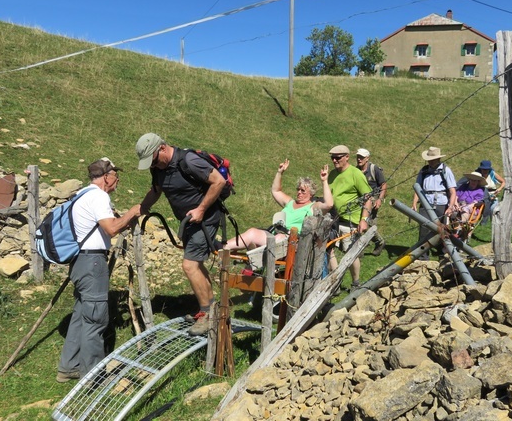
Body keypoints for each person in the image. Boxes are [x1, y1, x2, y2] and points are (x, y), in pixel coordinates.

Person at [57, 158, 141, 383]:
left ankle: (69, 367)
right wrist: (132, 212)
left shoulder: (82, 195)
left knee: (80, 315)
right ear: (106, 176)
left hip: (80, 262)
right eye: (115, 175)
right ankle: (94, 377)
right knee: (96, 319)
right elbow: (111, 228)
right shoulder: (99, 196)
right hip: (92, 262)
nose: (118, 179)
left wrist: (123, 220)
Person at [136, 133, 226, 336]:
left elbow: (218, 182)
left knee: (190, 265)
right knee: (196, 264)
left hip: (205, 219)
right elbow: (156, 190)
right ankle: (210, 308)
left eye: (153, 160)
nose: (153, 165)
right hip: (188, 222)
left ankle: (207, 313)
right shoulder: (158, 168)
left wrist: (201, 209)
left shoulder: (188, 160)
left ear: (162, 148)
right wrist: (141, 208)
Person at [224, 159, 333, 251]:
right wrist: (279, 172)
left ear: (311, 194)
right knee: (253, 232)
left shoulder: (312, 207)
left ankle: (257, 258)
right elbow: (275, 191)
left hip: (293, 242)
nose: (299, 192)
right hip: (275, 235)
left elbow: (328, 204)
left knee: (279, 238)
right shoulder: (290, 202)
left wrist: (324, 181)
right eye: (298, 189)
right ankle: (223, 247)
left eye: (303, 190)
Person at [326, 145, 373, 289]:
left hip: (350, 221)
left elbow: (368, 197)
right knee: (330, 250)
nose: (335, 160)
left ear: (347, 157)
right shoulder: (332, 175)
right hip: (333, 219)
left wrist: (364, 220)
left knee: (351, 253)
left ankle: (355, 282)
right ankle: (336, 283)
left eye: (338, 158)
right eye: (332, 158)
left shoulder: (355, 174)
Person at [411, 146, 457, 260]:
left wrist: (450, 207)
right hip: (426, 204)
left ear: (438, 159)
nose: (430, 162)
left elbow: (452, 191)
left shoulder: (445, 170)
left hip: (441, 204)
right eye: (429, 159)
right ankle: (423, 257)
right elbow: (418, 188)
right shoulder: (424, 170)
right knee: (424, 229)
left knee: (441, 231)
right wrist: (414, 203)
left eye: (432, 159)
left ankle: (443, 255)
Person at [355, 148, 387, 256]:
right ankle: (360, 250)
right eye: (358, 157)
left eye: (362, 158)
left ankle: (380, 242)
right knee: (360, 224)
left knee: (370, 226)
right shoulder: (356, 170)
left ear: (367, 158)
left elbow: (383, 185)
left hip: (372, 201)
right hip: (360, 201)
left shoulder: (374, 169)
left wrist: (380, 199)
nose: (359, 159)